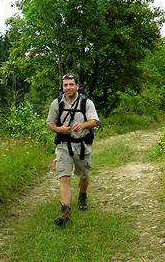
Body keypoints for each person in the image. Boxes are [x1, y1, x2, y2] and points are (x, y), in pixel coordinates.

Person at [46, 74, 99, 226]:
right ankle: (65, 212)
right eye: (65, 85)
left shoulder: (86, 103)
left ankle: (82, 195)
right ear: (62, 87)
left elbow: (95, 121)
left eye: (71, 84)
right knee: (64, 177)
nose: (68, 87)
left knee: (83, 175)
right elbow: (49, 123)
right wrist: (59, 129)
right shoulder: (56, 104)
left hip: (82, 146)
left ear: (77, 86)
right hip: (63, 145)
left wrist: (83, 125)